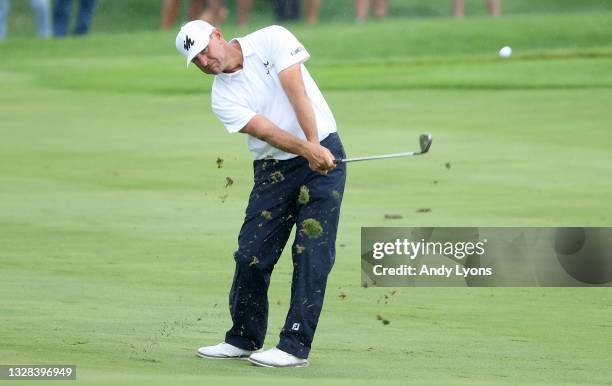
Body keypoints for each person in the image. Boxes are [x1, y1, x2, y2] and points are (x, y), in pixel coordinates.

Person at [175, 20, 346, 368]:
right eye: (196, 61)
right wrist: (305, 149)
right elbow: (265, 131)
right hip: (274, 170)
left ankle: (295, 345)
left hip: (323, 157)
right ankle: (243, 338)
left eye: (205, 51)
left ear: (218, 35)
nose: (205, 62)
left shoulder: (272, 38)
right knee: (251, 254)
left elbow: (295, 90)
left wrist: (314, 147)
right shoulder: (222, 96)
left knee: (311, 253)